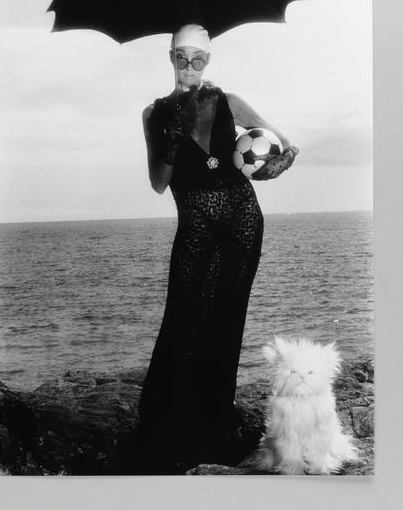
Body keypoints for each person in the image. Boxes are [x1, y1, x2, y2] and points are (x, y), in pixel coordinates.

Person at [136, 24, 298, 473]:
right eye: (181, 57)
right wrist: (169, 143)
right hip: (196, 222)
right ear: (170, 56)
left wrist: (278, 163)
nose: (189, 66)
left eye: (198, 59)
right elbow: (158, 184)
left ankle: (215, 418)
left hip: (243, 219)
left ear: (209, 61)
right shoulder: (153, 113)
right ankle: (167, 422)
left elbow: (281, 144)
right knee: (183, 315)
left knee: (228, 316)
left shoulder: (227, 101)